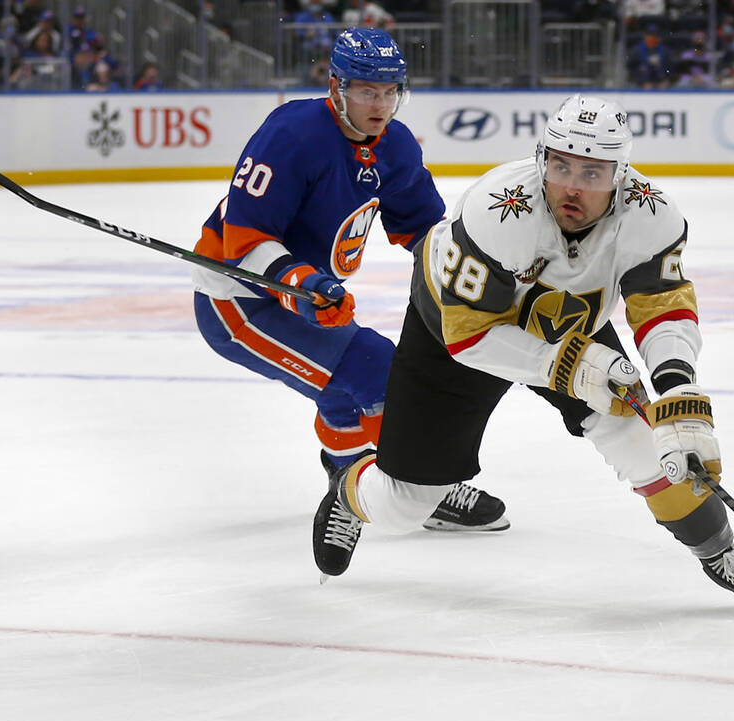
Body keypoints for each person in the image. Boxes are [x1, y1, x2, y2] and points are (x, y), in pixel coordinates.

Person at [312, 94, 734, 613]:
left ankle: (719, 549)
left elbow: (663, 310)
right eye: (561, 165)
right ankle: (350, 489)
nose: (571, 186)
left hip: (563, 321)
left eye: (592, 172)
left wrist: (677, 388)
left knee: (643, 437)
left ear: (621, 174)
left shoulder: (650, 214)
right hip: (453, 334)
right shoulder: (496, 208)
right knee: (405, 505)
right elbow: (468, 334)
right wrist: (569, 366)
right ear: (542, 158)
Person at [191, 28, 508, 532]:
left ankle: (347, 481)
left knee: (345, 391)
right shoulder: (293, 134)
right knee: (379, 370)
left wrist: (470, 271)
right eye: (366, 91)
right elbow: (245, 238)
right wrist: (303, 284)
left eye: (389, 92)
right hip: (239, 302)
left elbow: (423, 229)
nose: (380, 104)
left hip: (306, 295)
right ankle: (422, 488)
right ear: (336, 85)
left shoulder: (394, 145)